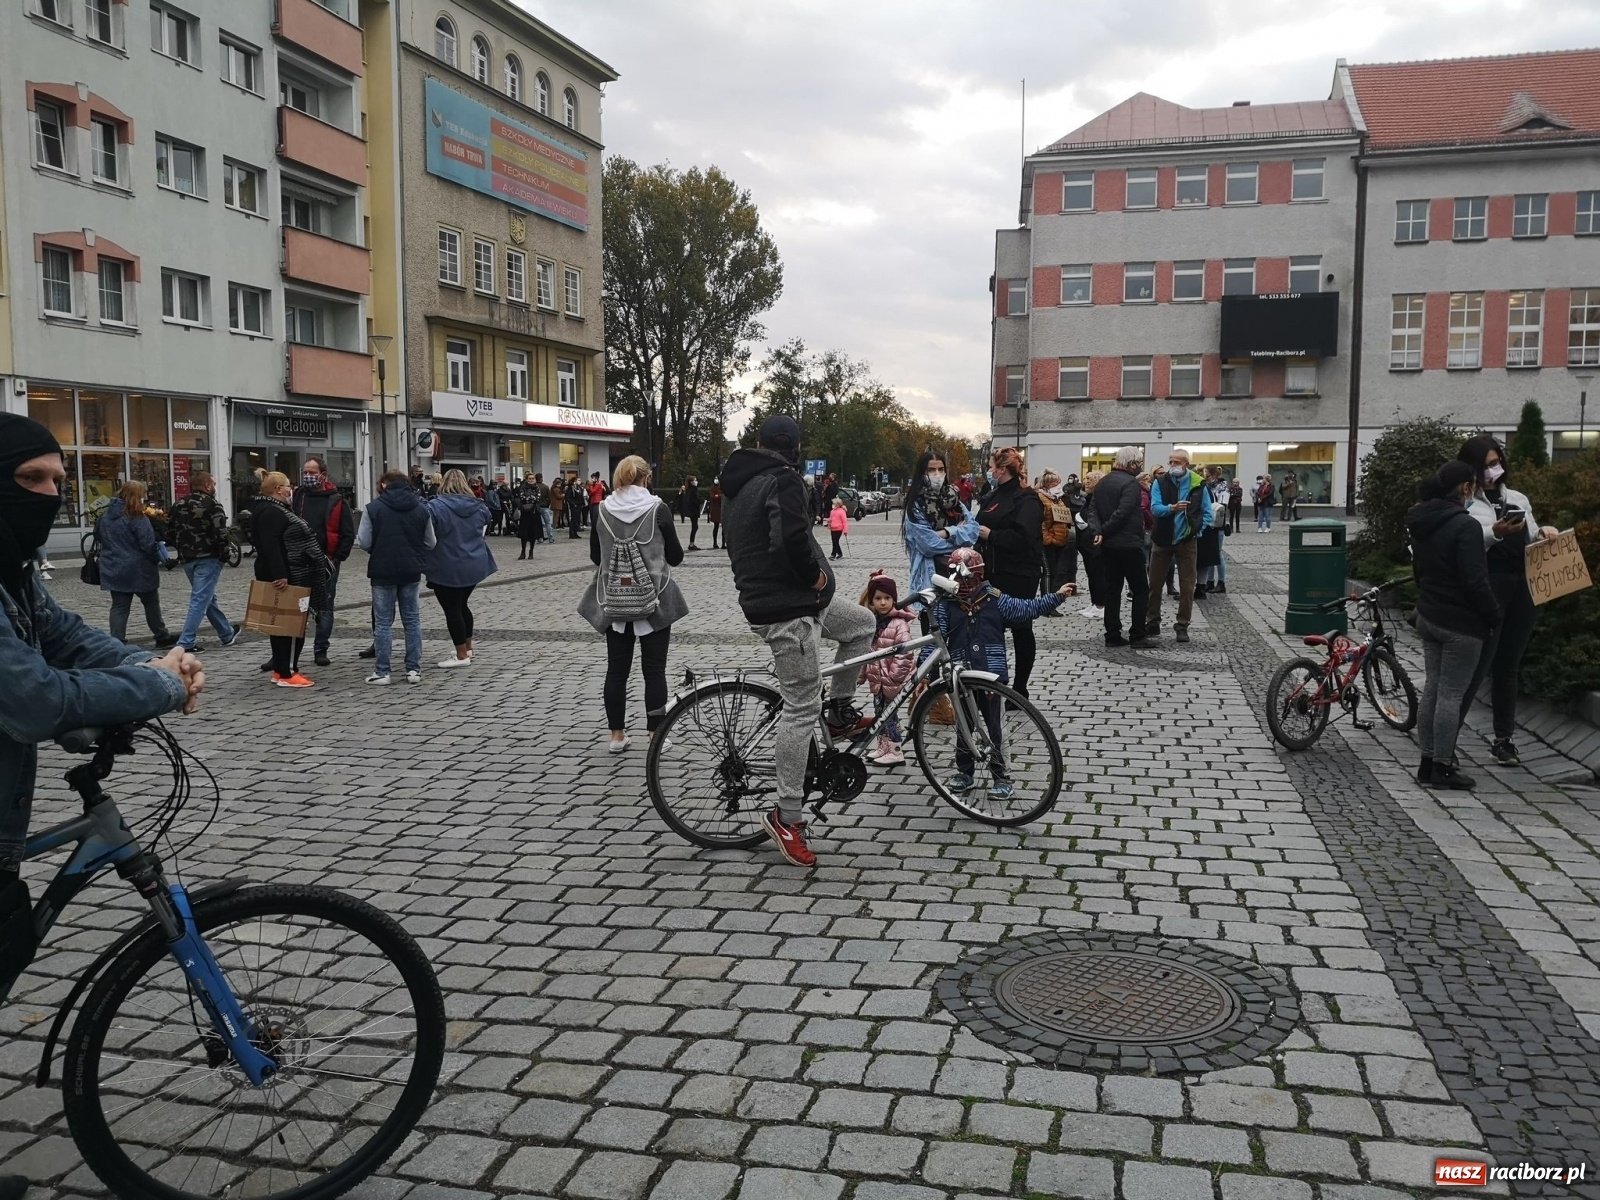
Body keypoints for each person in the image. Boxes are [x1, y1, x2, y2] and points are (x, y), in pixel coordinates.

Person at [0, 417, 204, 1200]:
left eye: (58, 479)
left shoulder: (11, 569)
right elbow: (32, 698)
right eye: (35, 481)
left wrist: (157, 660)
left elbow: (65, 638)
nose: (53, 494)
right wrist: (158, 686)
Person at [721, 415, 876, 868]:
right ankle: (787, 816)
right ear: (792, 448)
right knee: (801, 706)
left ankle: (842, 710)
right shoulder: (781, 480)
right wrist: (812, 576)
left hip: (799, 602)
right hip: (788, 610)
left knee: (862, 624)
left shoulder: (739, 482)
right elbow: (788, 538)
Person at [933, 548, 1074, 798]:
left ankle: (1001, 775)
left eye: (966, 577)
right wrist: (929, 672)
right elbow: (937, 643)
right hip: (959, 677)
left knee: (995, 729)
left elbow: (1026, 609)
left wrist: (1056, 597)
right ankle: (965, 773)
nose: (961, 584)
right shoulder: (945, 605)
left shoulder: (994, 600)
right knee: (963, 726)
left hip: (990, 677)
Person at [1456, 435, 1561, 766]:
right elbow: (1468, 545)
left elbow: (1530, 538)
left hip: (1522, 587)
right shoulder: (1466, 503)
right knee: (1477, 665)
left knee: (1508, 666)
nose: (1493, 470)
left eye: (1496, 462)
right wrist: (1496, 532)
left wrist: (1545, 532)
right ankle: (1446, 737)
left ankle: (1504, 739)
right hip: (1489, 588)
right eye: (1486, 464)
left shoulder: (1517, 497)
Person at [579, 456, 686, 752]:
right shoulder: (658, 509)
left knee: (616, 670)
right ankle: (655, 735)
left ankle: (617, 735)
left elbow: (595, 557)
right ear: (646, 478)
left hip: (614, 597)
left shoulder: (602, 510)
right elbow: (676, 556)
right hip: (654, 597)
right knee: (654, 670)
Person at [1406, 461, 1501, 790]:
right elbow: (1475, 581)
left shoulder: (1423, 521)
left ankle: (1427, 761)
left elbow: (1419, 571)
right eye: (1473, 485)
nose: (1475, 490)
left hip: (1430, 616)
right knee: (1450, 695)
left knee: (1433, 689)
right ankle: (1442, 767)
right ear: (1464, 489)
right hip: (1461, 623)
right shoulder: (1466, 526)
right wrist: (1493, 615)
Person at [975, 446, 1045, 697]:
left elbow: (1026, 538)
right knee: (990, 628)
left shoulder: (1027, 498)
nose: (990, 471)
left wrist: (992, 535)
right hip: (991, 571)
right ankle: (992, 683)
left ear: (1002, 469)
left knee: (1021, 627)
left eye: (992, 466)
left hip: (1019, 574)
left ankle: (1020, 688)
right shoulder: (992, 495)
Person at [252, 472, 330, 688]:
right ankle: (287, 672)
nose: (291, 490)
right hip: (286, 575)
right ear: (278, 489)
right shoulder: (271, 512)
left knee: (281, 625)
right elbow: (271, 546)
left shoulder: (269, 509)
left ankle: (283, 668)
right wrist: (281, 574)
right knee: (290, 626)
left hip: (287, 573)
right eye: (288, 486)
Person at [358, 469, 435, 685]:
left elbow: (363, 541)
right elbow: (431, 542)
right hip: (411, 569)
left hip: (382, 570)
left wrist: (379, 547)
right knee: (412, 620)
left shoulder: (373, 508)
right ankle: (413, 670)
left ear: (384, 485)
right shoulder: (420, 508)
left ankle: (382, 672)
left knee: (383, 622)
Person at [901, 450, 980, 634]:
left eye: (941, 469)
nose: (937, 474)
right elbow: (928, 545)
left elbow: (974, 531)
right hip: (931, 578)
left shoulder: (954, 500)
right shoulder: (916, 505)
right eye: (931, 470)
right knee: (934, 640)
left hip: (961, 577)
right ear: (922, 473)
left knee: (960, 638)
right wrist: (960, 538)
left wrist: (946, 532)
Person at [426, 469, 497, 668]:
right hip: (474, 562)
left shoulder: (434, 507)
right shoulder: (479, 506)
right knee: (462, 605)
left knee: (452, 609)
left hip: (446, 563)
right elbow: (485, 527)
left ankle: (460, 655)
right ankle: (467, 647)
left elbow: (429, 536)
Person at [1088, 447, 1156, 648]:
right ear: (1132, 463)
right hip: (1128, 544)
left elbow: (1092, 510)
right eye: (1139, 463)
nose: (1140, 467)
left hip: (1109, 547)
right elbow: (1123, 512)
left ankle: (1112, 634)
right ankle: (1138, 635)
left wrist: (1098, 531)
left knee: (1112, 590)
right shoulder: (1130, 484)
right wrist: (1105, 531)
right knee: (1140, 590)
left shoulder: (1103, 482)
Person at [292, 458, 354, 667]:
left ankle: (321, 649)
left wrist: (337, 558)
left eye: (312, 472)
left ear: (323, 475)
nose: (308, 476)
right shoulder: (299, 496)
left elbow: (347, 532)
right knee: (296, 606)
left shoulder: (337, 500)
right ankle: (287, 652)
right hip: (300, 560)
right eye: (305, 472)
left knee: (325, 606)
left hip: (327, 560)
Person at [96, 480, 175, 647]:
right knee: (151, 603)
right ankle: (161, 636)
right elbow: (147, 544)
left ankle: (117, 642)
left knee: (119, 607)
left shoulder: (106, 516)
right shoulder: (137, 516)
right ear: (137, 496)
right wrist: (158, 558)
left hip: (113, 566)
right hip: (139, 568)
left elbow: (98, 536)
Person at [1146, 448, 1212, 644]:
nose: (1172, 465)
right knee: (1154, 583)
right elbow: (1155, 508)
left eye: (1176, 462)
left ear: (1186, 464)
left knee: (1187, 586)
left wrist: (1196, 532)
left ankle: (1182, 626)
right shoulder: (1160, 482)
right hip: (1162, 539)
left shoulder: (1198, 484)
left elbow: (1207, 513)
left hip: (1187, 541)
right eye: (1170, 461)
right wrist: (1171, 509)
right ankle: (1152, 621)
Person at [165, 471, 237, 652]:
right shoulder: (212, 504)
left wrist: (181, 549)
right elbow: (221, 534)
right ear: (207, 486)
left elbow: (169, 533)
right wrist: (225, 554)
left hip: (188, 558)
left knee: (207, 597)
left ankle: (226, 633)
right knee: (200, 599)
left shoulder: (178, 504)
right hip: (209, 557)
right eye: (213, 484)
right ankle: (186, 641)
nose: (214, 487)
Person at [861, 572, 915, 766]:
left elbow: (906, 654)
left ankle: (896, 750)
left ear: (894, 600)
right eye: (878, 598)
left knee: (890, 716)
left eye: (887, 598)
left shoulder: (899, 624)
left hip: (892, 681)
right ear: (871, 601)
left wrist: (893, 678)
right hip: (878, 682)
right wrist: (862, 675)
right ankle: (883, 746)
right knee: (880, 714)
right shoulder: (873, 623)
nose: (883, 602)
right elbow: (867, 653)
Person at [1037, 470, 1075, 611]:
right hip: (1049, 542)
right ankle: (1046, 604)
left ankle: (1051, 601)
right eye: (1054, 483)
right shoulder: (1041, 498)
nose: (1058, 485)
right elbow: (1041, 522)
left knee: (1054, 572)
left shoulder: (1058, 498)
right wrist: (1047, 538)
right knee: (1048, 572)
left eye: (1058, 482)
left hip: (1060, 541)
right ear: (1047, 484)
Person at [682, 475, 702, 550]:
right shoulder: (693, 489)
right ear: (691, 482)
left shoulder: (688, 490)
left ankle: (691, 543)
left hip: (691, 510)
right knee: (695, 526)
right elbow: (695, 500)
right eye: (695, 480)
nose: (696, 481)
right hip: (693, 510)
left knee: (695, 526)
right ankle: (691, 544)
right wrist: (700, 501)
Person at [566, 472, 587, 537]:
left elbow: (581, 496)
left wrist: (583, 503)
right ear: (574, 481)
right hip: (574, 505)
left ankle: (575, 532)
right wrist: (573, 504)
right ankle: (572, 533)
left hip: (579, 505)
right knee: (573, 519)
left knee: (577, 519)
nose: (579, 481)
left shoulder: (579, 488)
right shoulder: (570, 488)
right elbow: (568, 497)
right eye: (578, 480)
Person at [707, 481, 724, 550]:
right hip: (716, 509)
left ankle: (723, 543)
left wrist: (718, 496)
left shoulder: (722, 487)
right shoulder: (713, 489)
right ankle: (715, 542)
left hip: (721, 508)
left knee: (723, 527)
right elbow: (713, 497)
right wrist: (719, 496)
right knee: (716, 526)